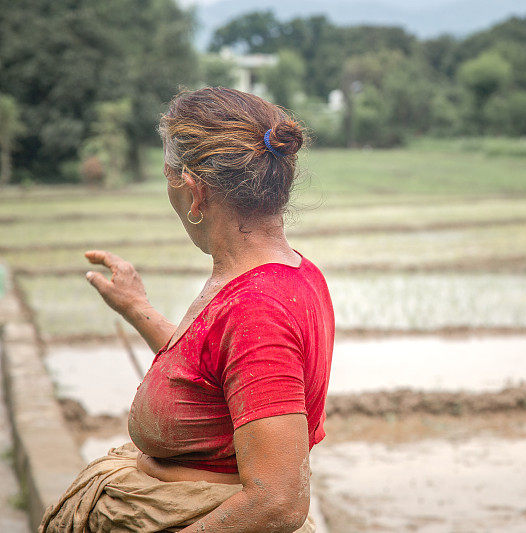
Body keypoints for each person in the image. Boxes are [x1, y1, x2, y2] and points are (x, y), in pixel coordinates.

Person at [40, 87, 334, 533]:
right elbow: (209, 373)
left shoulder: (257, 307)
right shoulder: (271, 276)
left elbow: (277, 501)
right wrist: (138, 308)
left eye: (167, 178)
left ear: (195, 193)